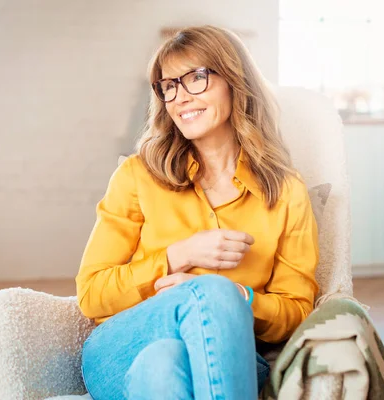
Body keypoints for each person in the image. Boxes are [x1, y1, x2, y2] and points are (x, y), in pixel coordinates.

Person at [75, 25, 319, 400]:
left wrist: (239, 295)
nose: (180, 98)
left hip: (225, 356)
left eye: (197, 78)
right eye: (169, 85)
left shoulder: (286, 191)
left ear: (235, 82)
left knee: (163, 363)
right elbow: (91, 294)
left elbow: (297, 312)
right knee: (206, 299)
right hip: (120, 350)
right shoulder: (137, 176)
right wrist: (179, 256)